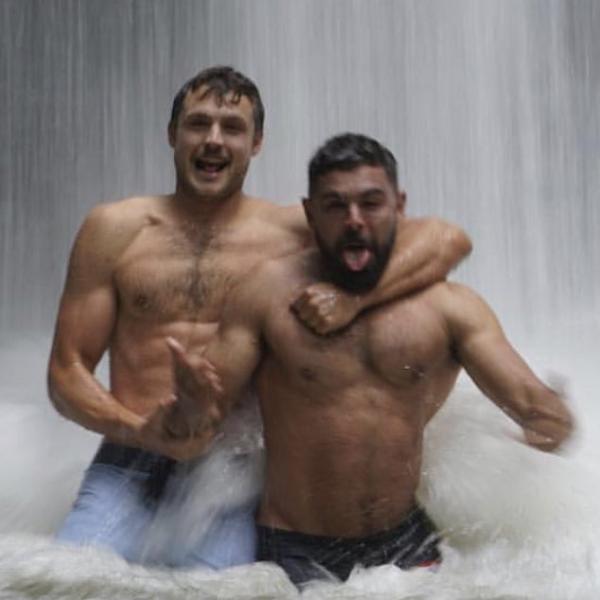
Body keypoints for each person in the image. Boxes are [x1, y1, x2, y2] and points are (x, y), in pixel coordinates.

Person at [47, 67, 471, 568]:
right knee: (66, 582)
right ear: (172, 134)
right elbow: (66, 372)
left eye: (232, 128)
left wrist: (354, 301)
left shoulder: (293, 232)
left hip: (231, 468)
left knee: (219, 591)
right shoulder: (114, 229)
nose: (213, 140)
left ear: (257, 143)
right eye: (198, 123)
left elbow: (447, 239)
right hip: (130, 455)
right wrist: (139, 431)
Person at [163, 133, 574, 586]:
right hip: (295, 551)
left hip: (407, 547)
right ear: (310, 213)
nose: (354, 220)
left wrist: (548, 422)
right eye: (335, 206)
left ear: (400, 206)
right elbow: (193, 433)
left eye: (371, 203)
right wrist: (191, 406)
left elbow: (546, 420)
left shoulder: (449, 309)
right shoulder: (265, 296)